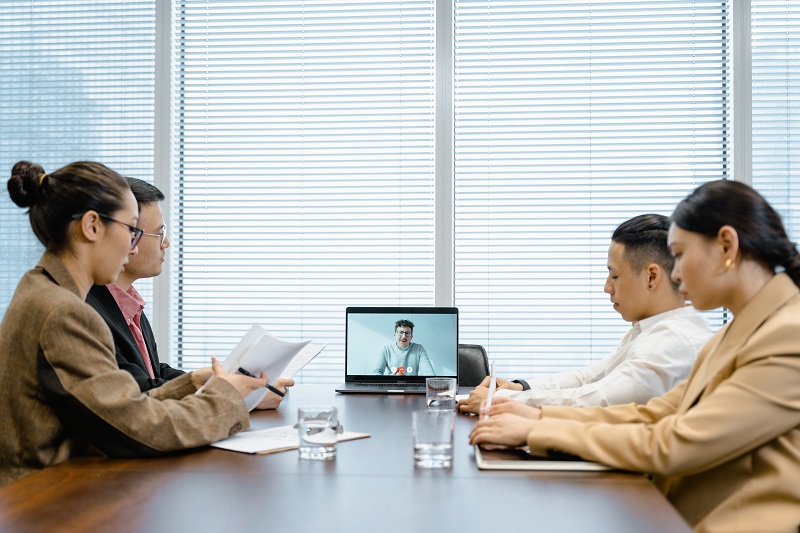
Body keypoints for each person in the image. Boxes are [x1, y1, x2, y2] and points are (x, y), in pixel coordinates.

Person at [470, 180, 800, 532]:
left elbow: (674, 442)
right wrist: (537, 420)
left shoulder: (786, 334)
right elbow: (654, 414)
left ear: (726, 245)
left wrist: (535, 431)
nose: (674, 273)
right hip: (677, 512)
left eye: (682, 255)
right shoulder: (737, 331)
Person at [0, 161, 266, 486]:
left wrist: (194, 382)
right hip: (48, 502)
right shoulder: (64, 311)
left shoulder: (40, 288)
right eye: (131, 230)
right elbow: (140, 427)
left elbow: (117, 409)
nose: (132, 246)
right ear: (92, 226)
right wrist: (225, 397)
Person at [457, 214, 711, 414]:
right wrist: (522, 386)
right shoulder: (650, 328)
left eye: (615, 275)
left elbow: (599, 399)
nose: (606, 287)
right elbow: (592, 376)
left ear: (651, 277)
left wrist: (500, 400)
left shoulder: (673, 341)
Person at [85, 178, 293, 409]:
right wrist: (236, 395)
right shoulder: (87, 312)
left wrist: (231, 381)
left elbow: (154, 372)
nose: (167, 243)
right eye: (159, 234)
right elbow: (138, 394)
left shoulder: (128, 303)